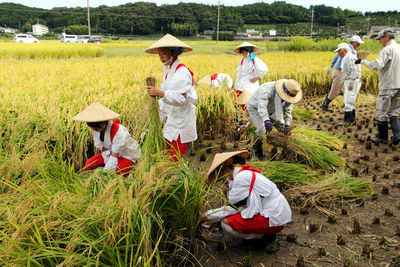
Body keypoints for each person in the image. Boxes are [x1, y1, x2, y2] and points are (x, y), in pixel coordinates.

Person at [203, 151, 291, 247]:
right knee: (230, 218)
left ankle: (260, 238)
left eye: (220, 177)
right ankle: (266, 233)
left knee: (226, 224)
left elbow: (233, 208)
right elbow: (243, 206)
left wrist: (206, 216)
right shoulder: (244, 174)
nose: (223, 181)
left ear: (224, 169)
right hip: (278, 215)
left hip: (273, 217)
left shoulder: (241, 177)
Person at [145, 34, 198, 161]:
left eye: (163, 53)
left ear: (174, 53)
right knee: (163, 157)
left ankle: (180, 179)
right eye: (159, 54)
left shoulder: (182, 72)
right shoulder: (169, 73)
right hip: (172, 122)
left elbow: (180, 99)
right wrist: (155, 118)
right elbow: (165, 101)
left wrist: (160, 94)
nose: (161, 57)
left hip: (182, 124)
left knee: (173, 162)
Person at [355, 28, 400, 146]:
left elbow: (377, 65)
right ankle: (397, 135)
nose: (380, 41)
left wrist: (362, 61)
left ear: (387, 37)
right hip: (399, 86)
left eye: (380, 39)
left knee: (381, 111)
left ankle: (383, 137)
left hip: (388, 86)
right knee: (393, 111)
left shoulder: (387, 50)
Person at [72, 102, 141, 176]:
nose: (93, 129)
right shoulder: (97, 130)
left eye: (95, 126)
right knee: (89, 163)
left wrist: (105, 173)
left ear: (104, 122)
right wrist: (106, 162)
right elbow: (105, 149)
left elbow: (114, 155)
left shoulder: (119, 132)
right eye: (91, 127)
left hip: (126, 154)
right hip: (110, 152)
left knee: (117, 172)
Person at [246, 79, 303, 158]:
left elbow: (287, 110)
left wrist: (287, 124)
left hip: (272, 109)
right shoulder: (266, 90)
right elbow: (262, 107)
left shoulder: (290, 93)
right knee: (262, 128)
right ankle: (256, 152)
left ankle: (287, 152)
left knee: (283, 129)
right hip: (256, 107)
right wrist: (266, 120)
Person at [322, 35, 364, 111]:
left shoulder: (351, 50)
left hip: (345, 73)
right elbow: (337, 58)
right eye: (358, 43)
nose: (359, 45)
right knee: (335, 91)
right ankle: (325, 104)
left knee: (347, 92)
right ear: (353, 42)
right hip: (340, 73)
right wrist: (331, 67)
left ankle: (348, 109)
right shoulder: (346, 50)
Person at [332, 43, 362, 126]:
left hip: (351, 81)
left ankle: (347, 120)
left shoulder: (350, 58)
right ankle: (352, 118)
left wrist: (351, 82)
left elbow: (354, 70)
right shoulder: (349, 57)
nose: (338, 54)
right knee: (350, 99)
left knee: (348, 99)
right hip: (350, 80)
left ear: (344, 51)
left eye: (339, 52)